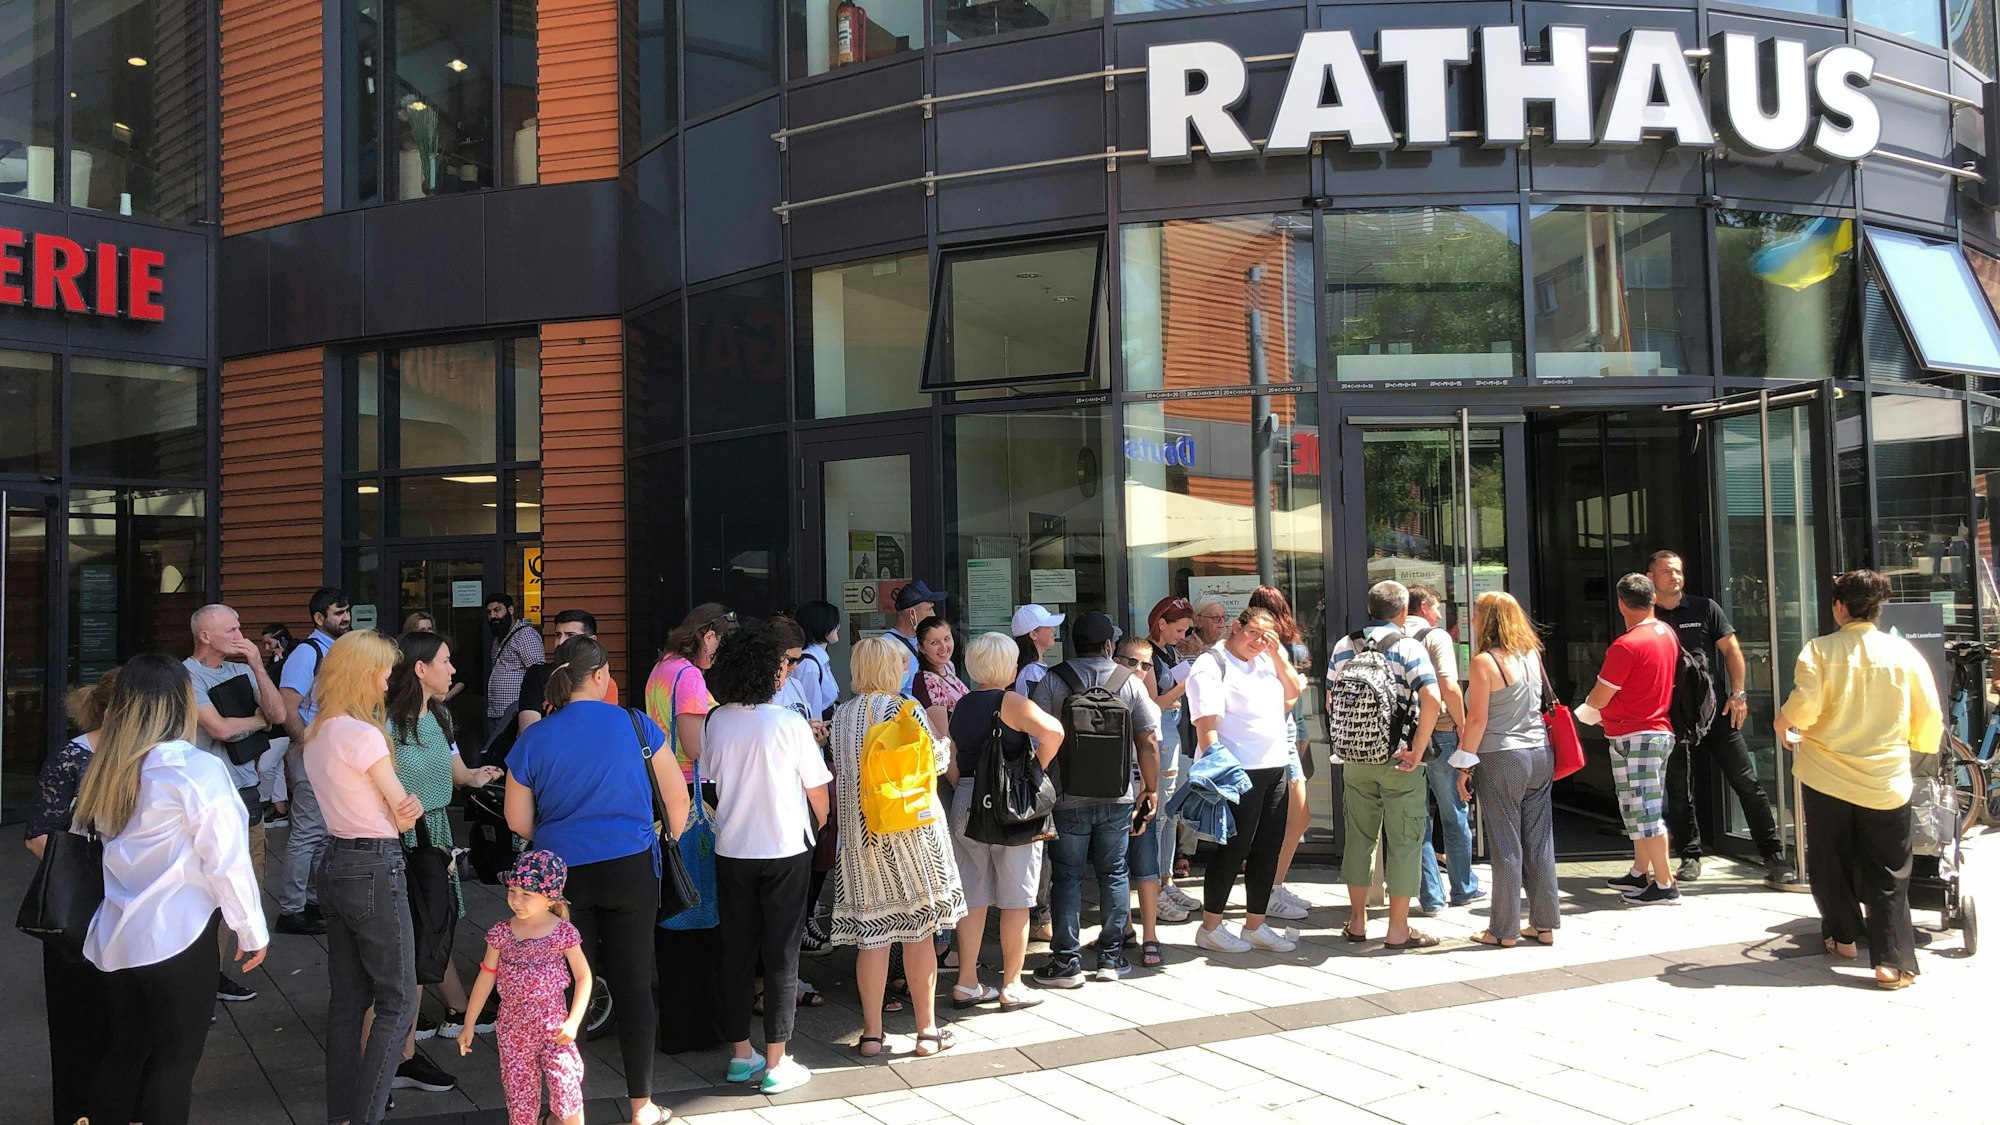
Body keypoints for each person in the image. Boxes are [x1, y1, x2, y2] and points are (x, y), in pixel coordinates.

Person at [77, 653, 269, 1125]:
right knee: (175, 1063)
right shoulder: (193, 769)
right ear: (181, 704)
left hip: (115, 933)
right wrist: (251, 929)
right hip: (177, 936)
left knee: (125, 1051)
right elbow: (226, 858)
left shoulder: (106, 768)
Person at [507, 636, 689, 1125]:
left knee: (565, 988)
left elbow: (518, 820)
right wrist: (660, 838)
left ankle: (567, 1110)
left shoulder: (534, 738)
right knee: (632, 983)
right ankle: (642, 1106)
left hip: (560, 877)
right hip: (631, 866)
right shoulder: (636, 725)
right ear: (603, 675)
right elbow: (678, 801)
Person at [1777, 570, 1943, 990]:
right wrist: (1920, 745)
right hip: (1885, 777)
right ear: (1878, 608)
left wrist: (1783, 724)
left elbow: (1804, 707)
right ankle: (1892, 962)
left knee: (1829, 859)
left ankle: (1843, 937)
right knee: (1890, 868)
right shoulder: (1903, 653)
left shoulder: (1819, 650)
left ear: (1838, 606)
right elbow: (1929, 717)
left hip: (1826, 773)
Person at [304, 631, 431, 1120]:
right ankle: (367, 1116)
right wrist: (411, 808)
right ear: (362, 674)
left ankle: (342, 1114)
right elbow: (402, 813)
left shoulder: (317, 730)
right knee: (397, 1000)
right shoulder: (363, 734)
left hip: (335, 859)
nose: (386, 683)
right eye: (382, 673)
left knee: (347, 1001)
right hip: (375, 863)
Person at [701, 621, 831, 1095]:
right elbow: (819, 793)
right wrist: (816, 827)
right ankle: (777, 1061)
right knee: (781, 953)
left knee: (736, 950)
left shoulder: (717, 720)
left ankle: (741, 1054)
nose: (786, 670)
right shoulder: (788, 723)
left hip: (732, 846)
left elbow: (712, 779)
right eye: (782, 663)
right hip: (785, 846)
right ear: (769, 670)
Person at [827, 637, 966, 1059]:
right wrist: (947, 744)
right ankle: (926, 1031)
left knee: (873, 939)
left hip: (859, 843)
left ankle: (871, 1034)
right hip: (908, 838)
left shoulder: (841, 716)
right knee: (919, 934)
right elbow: (935, 763)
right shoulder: (903, 710)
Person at [1649, 551, 1798, 888]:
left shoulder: (1705, 607)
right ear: (1651, 577)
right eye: (1665, 571)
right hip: (1671, 716)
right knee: (1677, 789)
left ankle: (1773, 855)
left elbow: (1732, 651)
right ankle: (1690, 855)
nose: (1673, 576)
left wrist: (1739, 694)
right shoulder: (1648, 614)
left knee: (1747, 783)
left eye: (1677, 570)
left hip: (1716, 711)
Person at [1028, 612, 1161, 984]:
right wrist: (1149, 790)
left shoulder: (1054, 680)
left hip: (1067, 795)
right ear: (1108, 646)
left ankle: (1067, 961)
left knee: (1067, 877)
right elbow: (1148, 740)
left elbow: (1038, 739)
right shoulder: (1129, 683)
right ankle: (1110, 958)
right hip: (1118, 795)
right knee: (1114, 873)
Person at [387, 632, 505, 1042]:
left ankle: (451, 1010)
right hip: (403, 836)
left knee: (434, 921)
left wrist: (477, 776)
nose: (453, 669)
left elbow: (457, 770)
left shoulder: (439, 716)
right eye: (445, 661)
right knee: (421, 923)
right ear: (421, 669)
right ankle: (402, 1033)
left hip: (436, 830)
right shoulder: (385, 724)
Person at [947, 632, 1064, 1008]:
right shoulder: (1010, 700)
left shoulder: (962, 703)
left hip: (966, 799)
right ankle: (1011, 984)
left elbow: (950, 756)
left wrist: (964, 786)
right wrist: (1034, 771)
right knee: (1016, 898)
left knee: (972, 894)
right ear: (1007, 666)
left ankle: (967, 982)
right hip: (1008, 805)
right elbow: (1054, 732)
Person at [26, 668, 118, 1125]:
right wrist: (98, 868)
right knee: (77, 1019)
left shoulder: (158, 758)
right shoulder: (72, 757)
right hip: (81, 907)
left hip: (135, 906)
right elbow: (38, 835)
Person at [1330, 581, 1443, 949]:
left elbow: (1333, 702)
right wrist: (1417, 748)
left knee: (1360, 839)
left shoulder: (1345, 645)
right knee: (1405, 840)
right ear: (1404, 612)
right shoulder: (1409, 647)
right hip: (1399, 759)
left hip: (1355, 759)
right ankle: (1397, 929)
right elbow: (1432, 698)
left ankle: (1358, 921)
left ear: (1369, 608)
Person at [184, 603, 288, 1004]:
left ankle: (210, 975)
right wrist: (258, 722)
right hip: (206, 799)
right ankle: (194, 979)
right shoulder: (185, 675)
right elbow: (222, 729)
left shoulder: (242, 670)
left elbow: (278, 713)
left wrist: (259, 667)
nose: (239, 635)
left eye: (239, 627)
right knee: (202, 892)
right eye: (230, 630)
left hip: (246, 795)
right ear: (204, 636)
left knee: (242, 888)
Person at [1185, 606, 1304, 954]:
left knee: (1268, 848)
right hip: (1237, 770)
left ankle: (1255, 924)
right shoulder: (1211, 664)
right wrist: (1220, 771)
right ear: (1236, 627)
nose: (1258, 641)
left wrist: (1277, 654)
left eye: (1266, 636)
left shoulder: (1267, 658)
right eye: (1252, 632)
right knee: (1233, 848)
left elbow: (1293, 691)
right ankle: (1211, 926)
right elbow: (1205, 727)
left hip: (1274, 764)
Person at [1450, 592, 1560, 947]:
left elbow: (1478, 719)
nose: (1473, 618)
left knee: (1506, 843)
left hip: (1502, 755)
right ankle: (1544, 925)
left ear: (1489, 619)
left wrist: (1464, 764)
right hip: (1540, 752)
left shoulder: (1485, 662)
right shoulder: (1532, 654)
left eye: (1477, 612)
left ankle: (1503, 929)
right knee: (1540, 840)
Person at [457, 850, 593, 1125]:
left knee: (567, 1090)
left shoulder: (563, 932)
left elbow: (584, 977)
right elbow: (487, 975)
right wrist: (468, 1023)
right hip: (513, 1031)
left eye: (526, 894)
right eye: (512, 891)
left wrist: (574, 1022)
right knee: (520, 1099)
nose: (515, 900)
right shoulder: (501, 933)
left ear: (550, 899)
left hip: (554, 1030)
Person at [1581, 573, 1685, 907]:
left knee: (1646, 811)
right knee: (1635, 808)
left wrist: (1585, 711)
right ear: (1653, 598)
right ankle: (1641, 871)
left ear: (1621, 603)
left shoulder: (1626, 645)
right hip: (1649, 731)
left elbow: (1600, 696)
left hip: (1637, 734)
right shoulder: (1665, 633)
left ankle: (1665, 884)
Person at [276, 586, 351, 936]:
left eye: (347, 610)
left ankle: (310, 901)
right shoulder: (307, 653)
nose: (346, 617)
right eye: (338, 613)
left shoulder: (337, 650)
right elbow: (286, 705)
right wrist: (307, 744)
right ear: (320, 618)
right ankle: (292, 910)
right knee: (307, 833)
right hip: (311, 752)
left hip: (330, 753)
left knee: (321, 833)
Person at [1406, 584, 1482, 913]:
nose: (1439, 614)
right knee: (1454, 814)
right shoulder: (1435, 636)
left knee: (1417, 820)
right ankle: (1463, 888)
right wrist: (1463, 726)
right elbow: (1448, 685)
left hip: (1406, 741)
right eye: (1437, 607)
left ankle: (1430, 897)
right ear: (1423, 607)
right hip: (1440, 734)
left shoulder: (1388, 636)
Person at [1249, 585, 1316, 923]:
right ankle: (1270, 888)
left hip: (1286, 731)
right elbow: (1277, 700)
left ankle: (1273, 885)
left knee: (1293, 817)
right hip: (1279, 734)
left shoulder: (1274, 646)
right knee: (1296, 817)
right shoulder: (1266, 648)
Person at [1118, 634, 1178, 964]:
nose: (1140, 670)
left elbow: (1151, 746)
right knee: (1116, 865)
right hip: (1114, 790)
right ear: (1116, 659)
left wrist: (1150, 790)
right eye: (1132, 662)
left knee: (1145, 862)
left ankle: (1150, 934)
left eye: (1146, 665)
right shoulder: (1110, 689)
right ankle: (1125, 926)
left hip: (1140, 787)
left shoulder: (1142, 695)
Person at [1143, 597, 1202, 910]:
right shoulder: (1148, 655)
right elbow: (1153, 703)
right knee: (1160, 814)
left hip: (1176, 736)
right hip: (1162, 739)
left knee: (1170, 813)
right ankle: (1155, 884)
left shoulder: (1170, 651)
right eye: (1179, 629)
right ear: (1161, 624)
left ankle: (1166, 879)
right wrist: (1184, 685)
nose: (1183, 635)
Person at [645, 603, 734, 782]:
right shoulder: (689, 675)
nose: (720, 656)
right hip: (692, 783)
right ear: (709, 637)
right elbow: (694, 748)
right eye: (721, 645)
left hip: (666, 778)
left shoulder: (663, 665)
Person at [513, 609, 618, 738]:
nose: (561, 642)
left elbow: (605, 731)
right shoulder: (538, 674)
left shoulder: (602, 680)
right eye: (558, 635)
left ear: (591, 641)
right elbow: (529, 734)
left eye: (571, 635)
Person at [483, 593, 544, 753]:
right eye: (489, 612)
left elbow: (537, 674)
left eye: (497, 610)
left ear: (510, 610)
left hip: (516, 714)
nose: (493, 616)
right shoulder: (498, 639)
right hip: (497, 711)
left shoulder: (526, 635)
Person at [258, 623, 296, 827]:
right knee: (276, 767)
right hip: (272, 722)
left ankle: (261, 801)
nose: (266, 648)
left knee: (265, 767)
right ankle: (280, 809)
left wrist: (282, 660)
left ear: (281, 640)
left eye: (269, 643)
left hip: (284, 724)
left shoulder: (290, 662)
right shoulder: (275, 660)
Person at [888, 580, 949, 697]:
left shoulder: (924, 640)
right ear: (912, 614)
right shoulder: (888, 646)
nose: (933, 615)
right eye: (929, 609)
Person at [913, 614, 970, 733]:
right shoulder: (929, 682)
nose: (944, 647)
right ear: (921, 648)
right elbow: (942, 735)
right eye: (934, 642)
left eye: (947, 639)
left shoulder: (948, 666)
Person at [791, 600, 842, 718]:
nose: (838, 626)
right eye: (833, 622)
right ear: (820, 624)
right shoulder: (810, 665)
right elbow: (813, 712)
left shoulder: (818, 660)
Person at [1011, 603, 1064, 696]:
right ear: (1033, 634)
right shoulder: (1032, 672)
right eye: (1048, 626)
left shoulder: (1032, 670)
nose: (1053, 629)